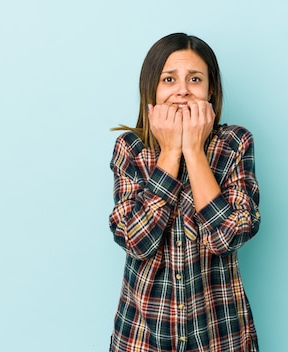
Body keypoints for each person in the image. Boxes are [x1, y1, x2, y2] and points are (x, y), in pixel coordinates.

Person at [108, 33, 261, 352]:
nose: (182, 90)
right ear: (152, 89)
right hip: (143, 337)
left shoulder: (234, 144)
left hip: (220, 337)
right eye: (169, 79)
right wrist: (169, 152)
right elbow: (135, 241)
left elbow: (228, 237)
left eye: (194, 79)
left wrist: (193, 150)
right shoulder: (131, 150)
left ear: (210, 90)